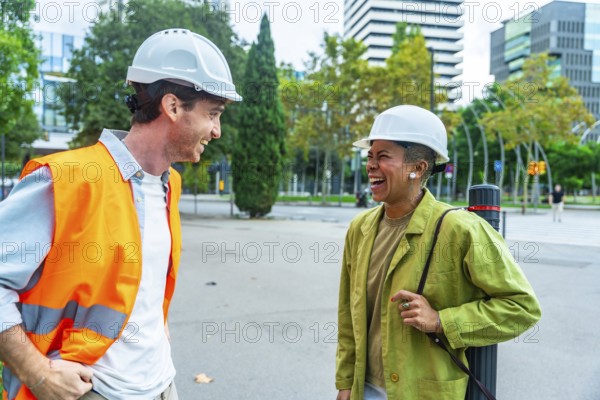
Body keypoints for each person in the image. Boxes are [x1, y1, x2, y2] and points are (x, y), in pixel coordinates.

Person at [0, 28, 241, 400]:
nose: (217, 130)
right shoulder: (65, 179)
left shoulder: (168, 185)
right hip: (94, 391)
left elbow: (144, 296)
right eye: (213, 114)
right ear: (173, 106)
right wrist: (38, 373)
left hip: (161, 385)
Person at [335, 105, 541, 400]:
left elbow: (522, 308)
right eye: (370, 156)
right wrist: (345, 383)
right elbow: (348, 315)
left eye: (383, 157)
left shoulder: (459, 229)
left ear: (417, 168)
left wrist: (441, 321)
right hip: (363, 390)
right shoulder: (360, 228)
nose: (370, 165)